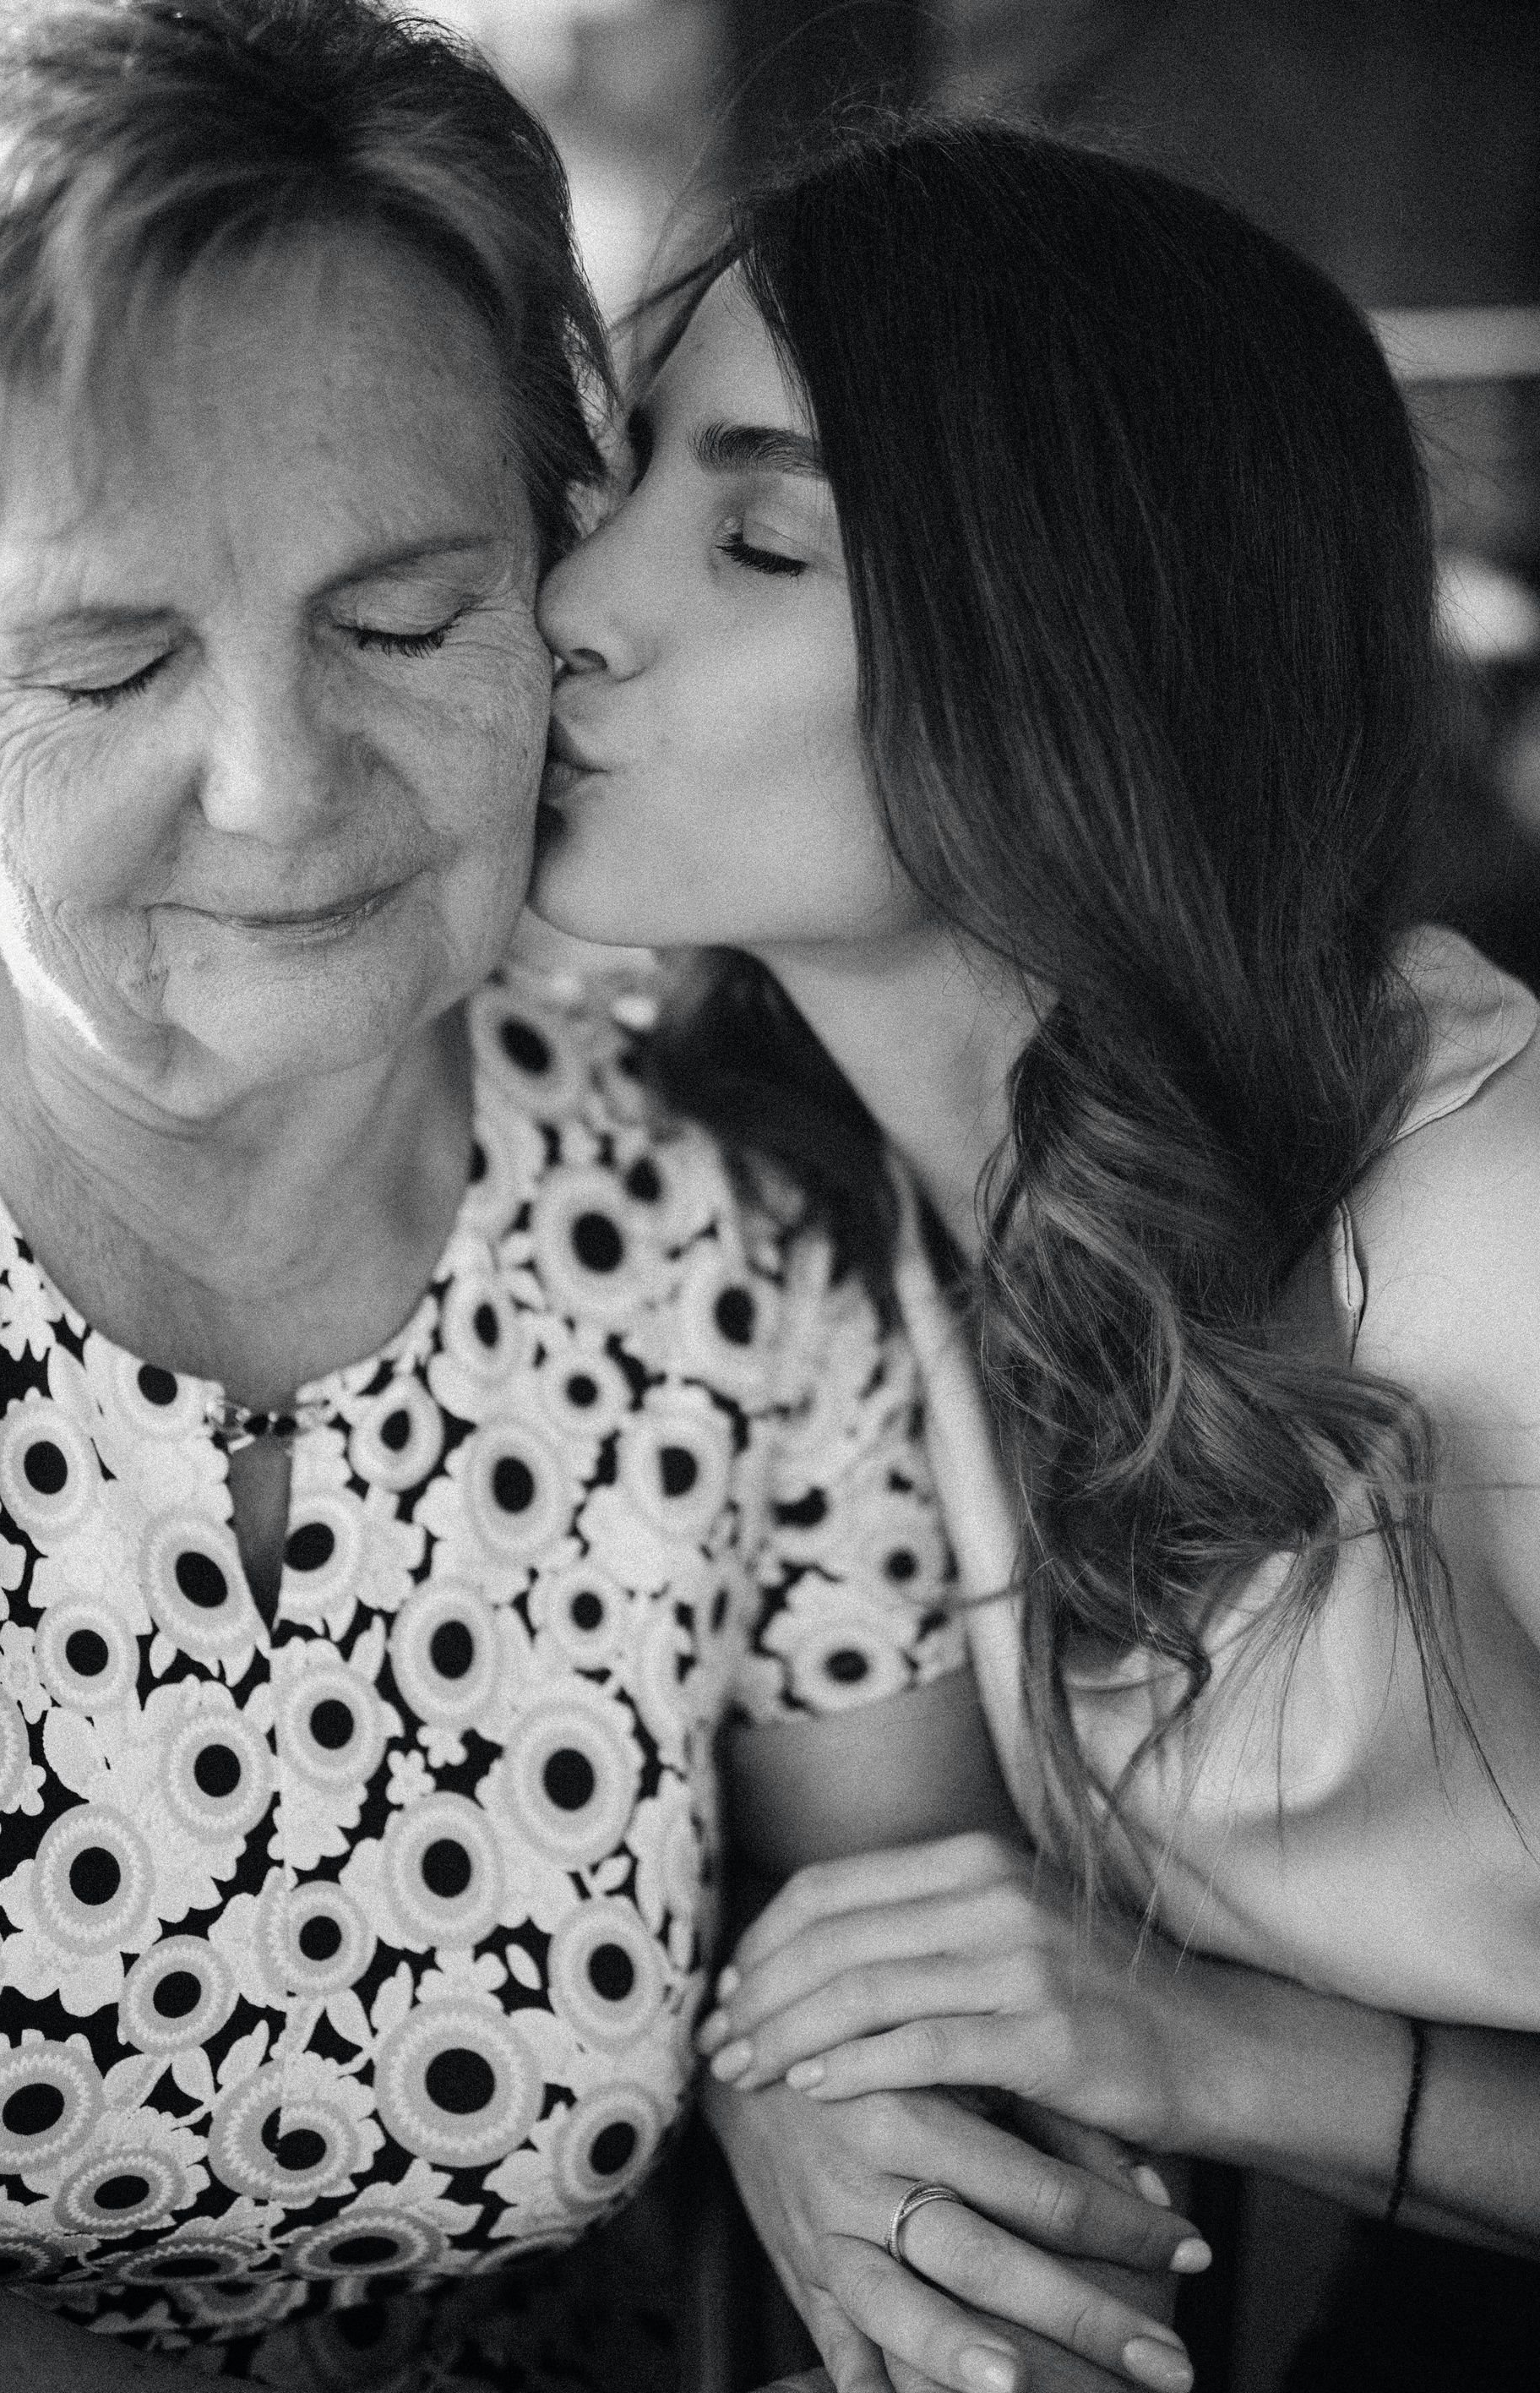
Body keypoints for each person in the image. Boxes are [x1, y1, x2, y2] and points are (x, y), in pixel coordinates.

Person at [0, 0, 1206, 2393]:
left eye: (404, 617)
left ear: (552, 579)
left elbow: (917, 1966)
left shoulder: (732, 1238)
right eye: (100, 666)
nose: (282, 793)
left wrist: (828, 2083)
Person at [532, 112, 1540, 2347]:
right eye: (612, 487)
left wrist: (1222, 2057)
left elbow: (1135, 2012)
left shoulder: (1493, 1216)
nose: (567, 607)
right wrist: (801, 2079)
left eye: (763, 539)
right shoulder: (803, 1211)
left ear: (1067, 658)